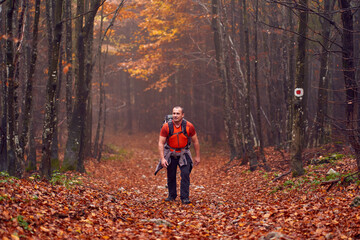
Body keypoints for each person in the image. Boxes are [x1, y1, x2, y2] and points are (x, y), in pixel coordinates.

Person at [158, 106, 200, 204]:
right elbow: (161, 143)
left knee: (185, 174)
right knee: (171, 175)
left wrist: (197, 156)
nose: (175, 116)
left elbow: (195, 141)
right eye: (174, 113)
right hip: (170, 153)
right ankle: (172, 196)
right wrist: (162, 158)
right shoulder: (166, 126)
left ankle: (185, 197)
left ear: (182, 115)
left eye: (177, 113)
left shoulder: (189, 126)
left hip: (184, 154)